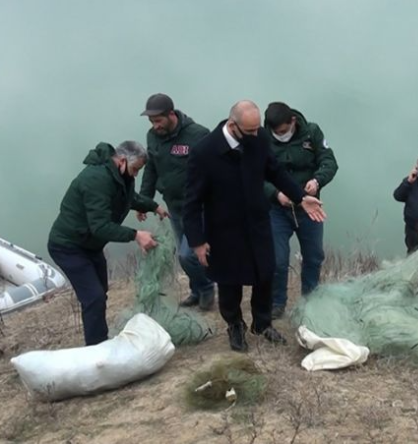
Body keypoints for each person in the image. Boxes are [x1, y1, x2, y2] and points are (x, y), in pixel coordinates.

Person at [183, 100, 326, 352]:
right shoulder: (204, 152)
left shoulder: (257, 139)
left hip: (258, 222)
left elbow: (276, 171)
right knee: (230, 282)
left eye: (257, 128)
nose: (256, 134)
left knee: (265, 273)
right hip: (223, 228)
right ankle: (235, 326)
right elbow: (192, 202)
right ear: (232, 125)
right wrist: (197, 241)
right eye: (249, 130)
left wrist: (300, 198)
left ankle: (262, 323)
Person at [48, 141, 168, 346]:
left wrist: (154, 206)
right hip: (68, 246)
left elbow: (130, 198)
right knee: (93, 298)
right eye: (136, 169)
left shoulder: (120, 176)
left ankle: (99, 340)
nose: (136, 175)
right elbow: (100, 227)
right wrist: (136, 235)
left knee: (100, 293)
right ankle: (97, 350)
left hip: (90, 245)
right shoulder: (96, 180)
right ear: (122, 160)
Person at [137, 93, 216, 310]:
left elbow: (216, 168)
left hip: (199, 206)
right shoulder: (153, 137)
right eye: (152, 122)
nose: (155, 126)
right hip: (174, 206)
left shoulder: (198, 134)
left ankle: (208, 288)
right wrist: (144, 201)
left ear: (171, 114)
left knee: (187, 255)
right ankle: (196, 290)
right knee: (188, 253)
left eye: (158, 120)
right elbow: (151, 169)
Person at [263, 102, 338, 319]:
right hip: (277, 209)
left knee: (313, 256)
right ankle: (278, 302)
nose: (280, 135)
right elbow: (254, 174)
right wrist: (276, 193)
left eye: (284, 131)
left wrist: (317, 181)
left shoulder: (311, 132)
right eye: (276, 132)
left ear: (293, 122)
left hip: (309, 207)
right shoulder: (261, 138)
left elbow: (329, 161)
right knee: (278, 259)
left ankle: (310, 300)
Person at [393, 157, 418, 254]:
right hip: (413, 230)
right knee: (412, 254)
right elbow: (397, 196)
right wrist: (408, 182)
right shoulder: (410, 182)